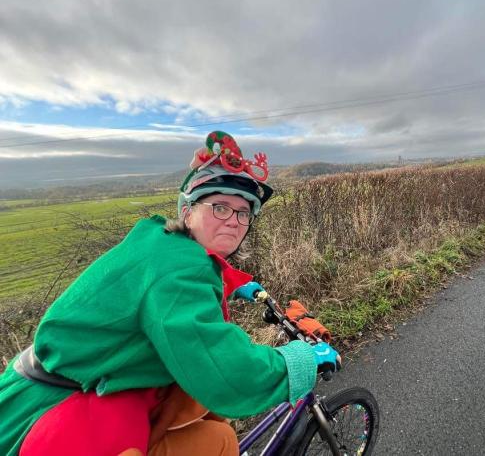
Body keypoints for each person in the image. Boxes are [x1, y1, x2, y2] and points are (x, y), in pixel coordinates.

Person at [0, 131, 340, 456]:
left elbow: (157, 291)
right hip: (65, 419)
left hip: (59, 388)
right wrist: (298, 360)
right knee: (218, 440)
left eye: (243, 212)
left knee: (198, 410)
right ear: (188, 210)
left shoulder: (161, 241)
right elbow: (226, 370)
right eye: (219, 207)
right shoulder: (180, 272)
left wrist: (233, 286)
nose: (234, 220)